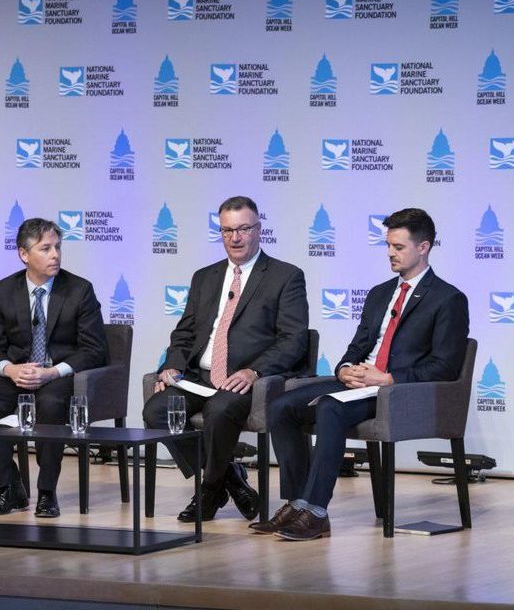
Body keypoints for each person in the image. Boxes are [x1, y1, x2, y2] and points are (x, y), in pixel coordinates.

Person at [257, 208, 469, 541]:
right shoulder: (379, 293)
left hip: (393, 391)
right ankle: (297, 502)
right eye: (388, 246)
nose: (390, 254)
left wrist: (388, 379)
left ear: (424, 247)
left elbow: (445, 366)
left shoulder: (448, 299)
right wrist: (345, 369)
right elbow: (357, 346)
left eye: (398, 247)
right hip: (359, 383)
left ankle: (315, 512)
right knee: (281, 406)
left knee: (329, 406)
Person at [143, 196, 309, 522]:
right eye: (227, 230)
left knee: (219, 411)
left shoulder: (285, 276)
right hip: (199, 378)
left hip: (244, 382)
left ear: (259, 230)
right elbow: (185, 333)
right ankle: (228, 479)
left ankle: (209, 490)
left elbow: (294, 340)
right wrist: (171, 365)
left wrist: (255, 370)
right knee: (157, 411)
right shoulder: (205, 277)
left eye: (243, 229)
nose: (235, 238)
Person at [0, 218, 108, 518]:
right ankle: (9, 488)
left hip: (58, 375)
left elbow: (95, 349)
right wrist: (10, 370)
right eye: (46, 248)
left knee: (50, 404)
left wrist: (52, 372)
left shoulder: (79, 290)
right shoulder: (3, 291)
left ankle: (47, 492)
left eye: (58, 248)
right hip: (17, 374)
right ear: (24, 254)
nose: (55, 255)